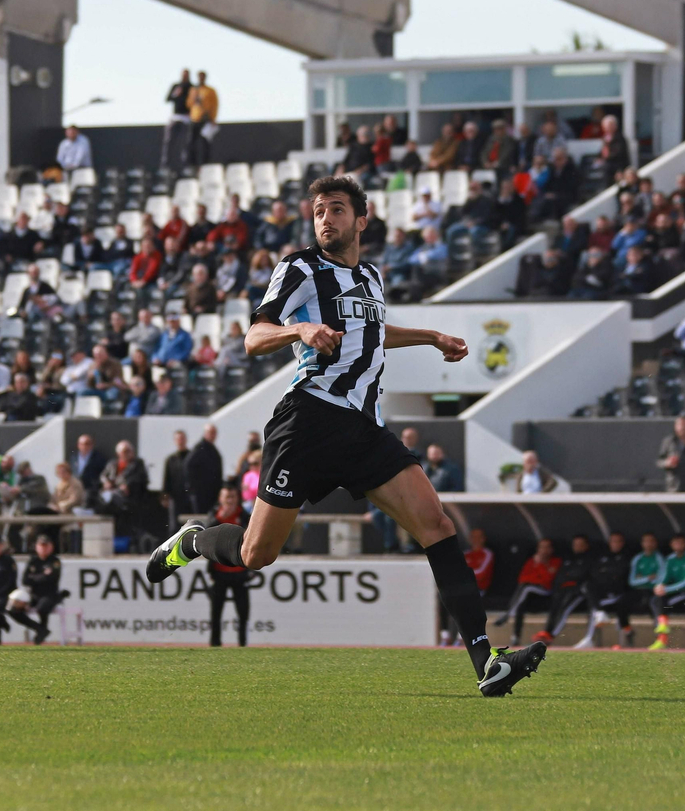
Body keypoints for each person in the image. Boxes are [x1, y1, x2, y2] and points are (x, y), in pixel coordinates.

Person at [144, 174, 546, 695]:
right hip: (308, 421)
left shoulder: (372, 277)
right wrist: (300, 330)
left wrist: (430, 337)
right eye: (317, 211)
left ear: (362, 218)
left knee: (436, 525)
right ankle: (194, 541)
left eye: (335, 209)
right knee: (255, 555)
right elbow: (254, 336)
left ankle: (486, 662)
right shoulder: (300, 268)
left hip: (363, 428)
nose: (325, 219)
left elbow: (374, 332)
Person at [205, 485, 251, 647]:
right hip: (219, 572)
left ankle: (242, 643)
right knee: (216, 611)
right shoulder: (215, 516)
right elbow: (205, 535)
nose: (230, 501)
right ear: (221, 499)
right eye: (227, 497)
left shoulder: (244, 516)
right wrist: (218, 519)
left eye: (232, 497)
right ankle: (215, 643)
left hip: (239, 571)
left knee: (243, 612)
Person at [573, 532, 635, 649]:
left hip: (619, 593)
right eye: (613, 541)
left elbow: (619, 575)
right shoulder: (603, 556)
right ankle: (597, 619)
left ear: (622, 543)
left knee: (596, 605)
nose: (615, 544)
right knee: (587, 587)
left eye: (618, 541)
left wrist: (606, 574)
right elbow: (595, 573)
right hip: (602, 593)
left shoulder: (626, 557)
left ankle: (593, 633)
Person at [7, 534, 69, 644]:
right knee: (13, 609)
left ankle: (41, 634)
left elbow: (51, 579)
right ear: (36, 547)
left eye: (46, 545)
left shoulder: (54, 561)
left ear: (51, 547)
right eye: (41, 545)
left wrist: (34, 577)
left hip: (49, 594)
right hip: (33, 594)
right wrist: (43, 575)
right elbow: (25, 580)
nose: (43, 548)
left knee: (42, 608)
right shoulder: (33, 561)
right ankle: (39, 629)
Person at [646, 534, 685, 650]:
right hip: (675, 594)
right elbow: (664, 577)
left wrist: (666, 589)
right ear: (671, 545)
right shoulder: (670, 559)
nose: (678, 545)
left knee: (660, 603)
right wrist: (659, 586)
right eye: (675, 543)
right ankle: (662, 635)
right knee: (656, 600)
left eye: (680, 542)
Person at [184, 423, 224, 515]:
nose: (213, 435)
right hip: (201, 494)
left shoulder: (212, 448)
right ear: (205, 433)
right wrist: (194, 486)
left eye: (214, 433)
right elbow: (188, 465)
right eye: (210, 432)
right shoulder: (200, 448)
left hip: (211, 493)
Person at [188, 69, 219, 166]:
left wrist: (213, 118)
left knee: (205, 143)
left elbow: (215, 105)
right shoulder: (194, 90)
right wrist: (194, 99)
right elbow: (189, 104)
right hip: (195, 119)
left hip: (206, 119)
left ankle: (206, 163)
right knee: (192, 143)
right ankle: (193, 164)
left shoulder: (210, 90)